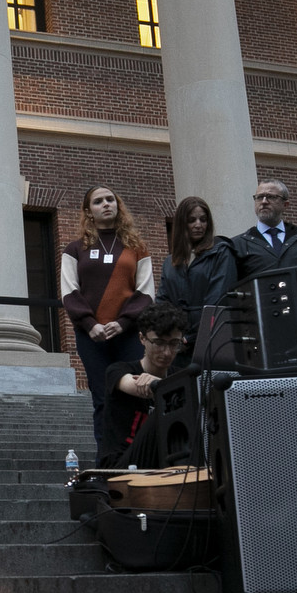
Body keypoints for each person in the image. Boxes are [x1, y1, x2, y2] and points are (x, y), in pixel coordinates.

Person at [61, 183, 156, 463]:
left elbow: (146, 291)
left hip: (128, 335)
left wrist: (123, 323)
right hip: (92, 336)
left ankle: (138, 457)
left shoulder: (136, 248)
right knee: (103, 398)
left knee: (137, 392)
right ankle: (107, 461)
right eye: (98, 201)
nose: (106, 205)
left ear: (118, 205)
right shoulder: (75, 249)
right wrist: (91, 324)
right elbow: (69, 291)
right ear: (88, 211)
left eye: (110, 200)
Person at [101, 302, 192, 467]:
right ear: (142, 338)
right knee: (162, 413)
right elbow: (129, 383)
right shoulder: (118, 370)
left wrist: (160, 385)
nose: (166, 352)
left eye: (173, 344)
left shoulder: (180, 376)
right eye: (158, 343)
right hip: (122, 465)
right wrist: (159, 388)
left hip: (164, 460)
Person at [163, 195, 238, 360]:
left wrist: (190, 337)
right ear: (182, 223)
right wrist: (170, 335)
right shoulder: (170, 262)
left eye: (203, 220)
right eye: (192, 220)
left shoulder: (221, 252)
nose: (198, 225)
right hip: (177, 345)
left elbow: (217, 300)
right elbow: (163, 302)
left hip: (210, 340)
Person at [227, 178, 297, 287]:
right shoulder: (238, 244)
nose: (264, 202)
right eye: (259, 197)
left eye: (271, 197)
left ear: (285, 205)